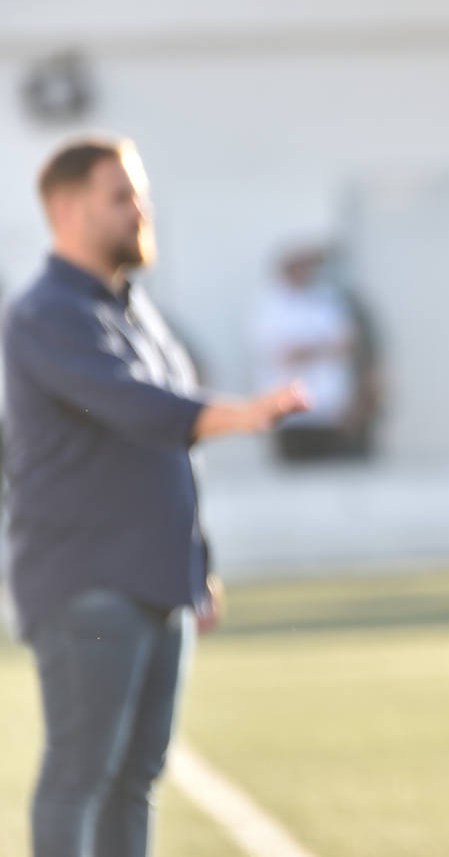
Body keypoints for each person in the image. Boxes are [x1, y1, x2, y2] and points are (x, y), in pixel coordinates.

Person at [3, 136, 309, 857]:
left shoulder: (135, 311)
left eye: (139, 193)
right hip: (89, 584)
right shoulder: (48, 313)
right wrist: (240, 413)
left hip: (154, 581)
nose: (142, 209)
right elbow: (138, 407)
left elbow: (164, 449)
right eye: (122, 196)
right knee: (81, 775)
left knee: (135, 777)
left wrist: (197, 560)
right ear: (69, 210)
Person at [250, 243, 379, 462]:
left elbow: (349, 343)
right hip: (293, 418)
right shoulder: (271, 305)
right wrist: (325, 348)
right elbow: (285, 354)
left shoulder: (326, 299)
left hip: (332, 413)